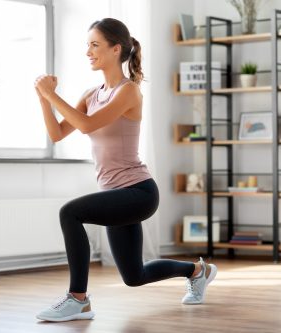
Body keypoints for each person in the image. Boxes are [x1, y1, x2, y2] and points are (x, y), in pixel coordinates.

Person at [33, 18, 217, 322]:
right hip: (115, 194)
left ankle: (77, 299)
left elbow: (88, 125)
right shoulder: (91, 95)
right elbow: (57, 134)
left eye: (95, 45)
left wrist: (52, 95)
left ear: (116, 48)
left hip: (138, 192)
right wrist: (43, 98)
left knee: (70, 213)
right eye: (87, 45)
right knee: (134, 275)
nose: (88, 52)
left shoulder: (128, 91)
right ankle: (199, 271)